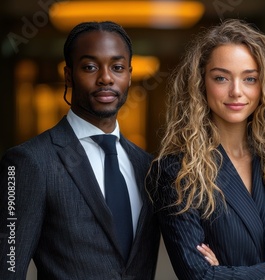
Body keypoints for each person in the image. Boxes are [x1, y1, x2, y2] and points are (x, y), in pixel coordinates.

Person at [146, 19, 265, 280]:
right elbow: (201, 277)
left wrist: (228, 273)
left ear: (263, 85)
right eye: (221, 78)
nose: (236, 91)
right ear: (201, 83)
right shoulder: (177, 171)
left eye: (250, 79)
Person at [0, 21, 160, 279]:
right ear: (69, 75)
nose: (106, 78)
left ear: (129, 75)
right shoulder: (29, 162)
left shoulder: (148, 166)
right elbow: (8, 265)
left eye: (117, 67)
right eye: (90, 67)